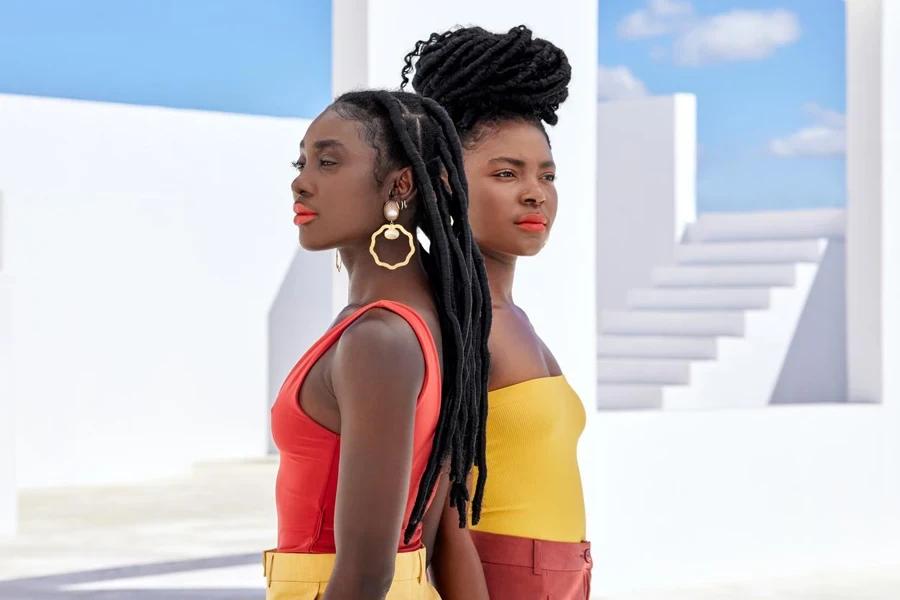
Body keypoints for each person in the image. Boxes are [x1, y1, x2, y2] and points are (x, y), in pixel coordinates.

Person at [264, 90, 492, 600]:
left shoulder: (377, 339)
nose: (301, 181)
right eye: (302, 162)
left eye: (328, 162)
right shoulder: (432, 319)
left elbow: (367, 573)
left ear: (400, 184)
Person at [402, 26, 592, 599]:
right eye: (506, 173)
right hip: (496, 578)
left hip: (563, 575)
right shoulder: (450, 320)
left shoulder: (512, 316)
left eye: (547, 174)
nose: (536, 193)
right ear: (445, 181)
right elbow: (433, 520)